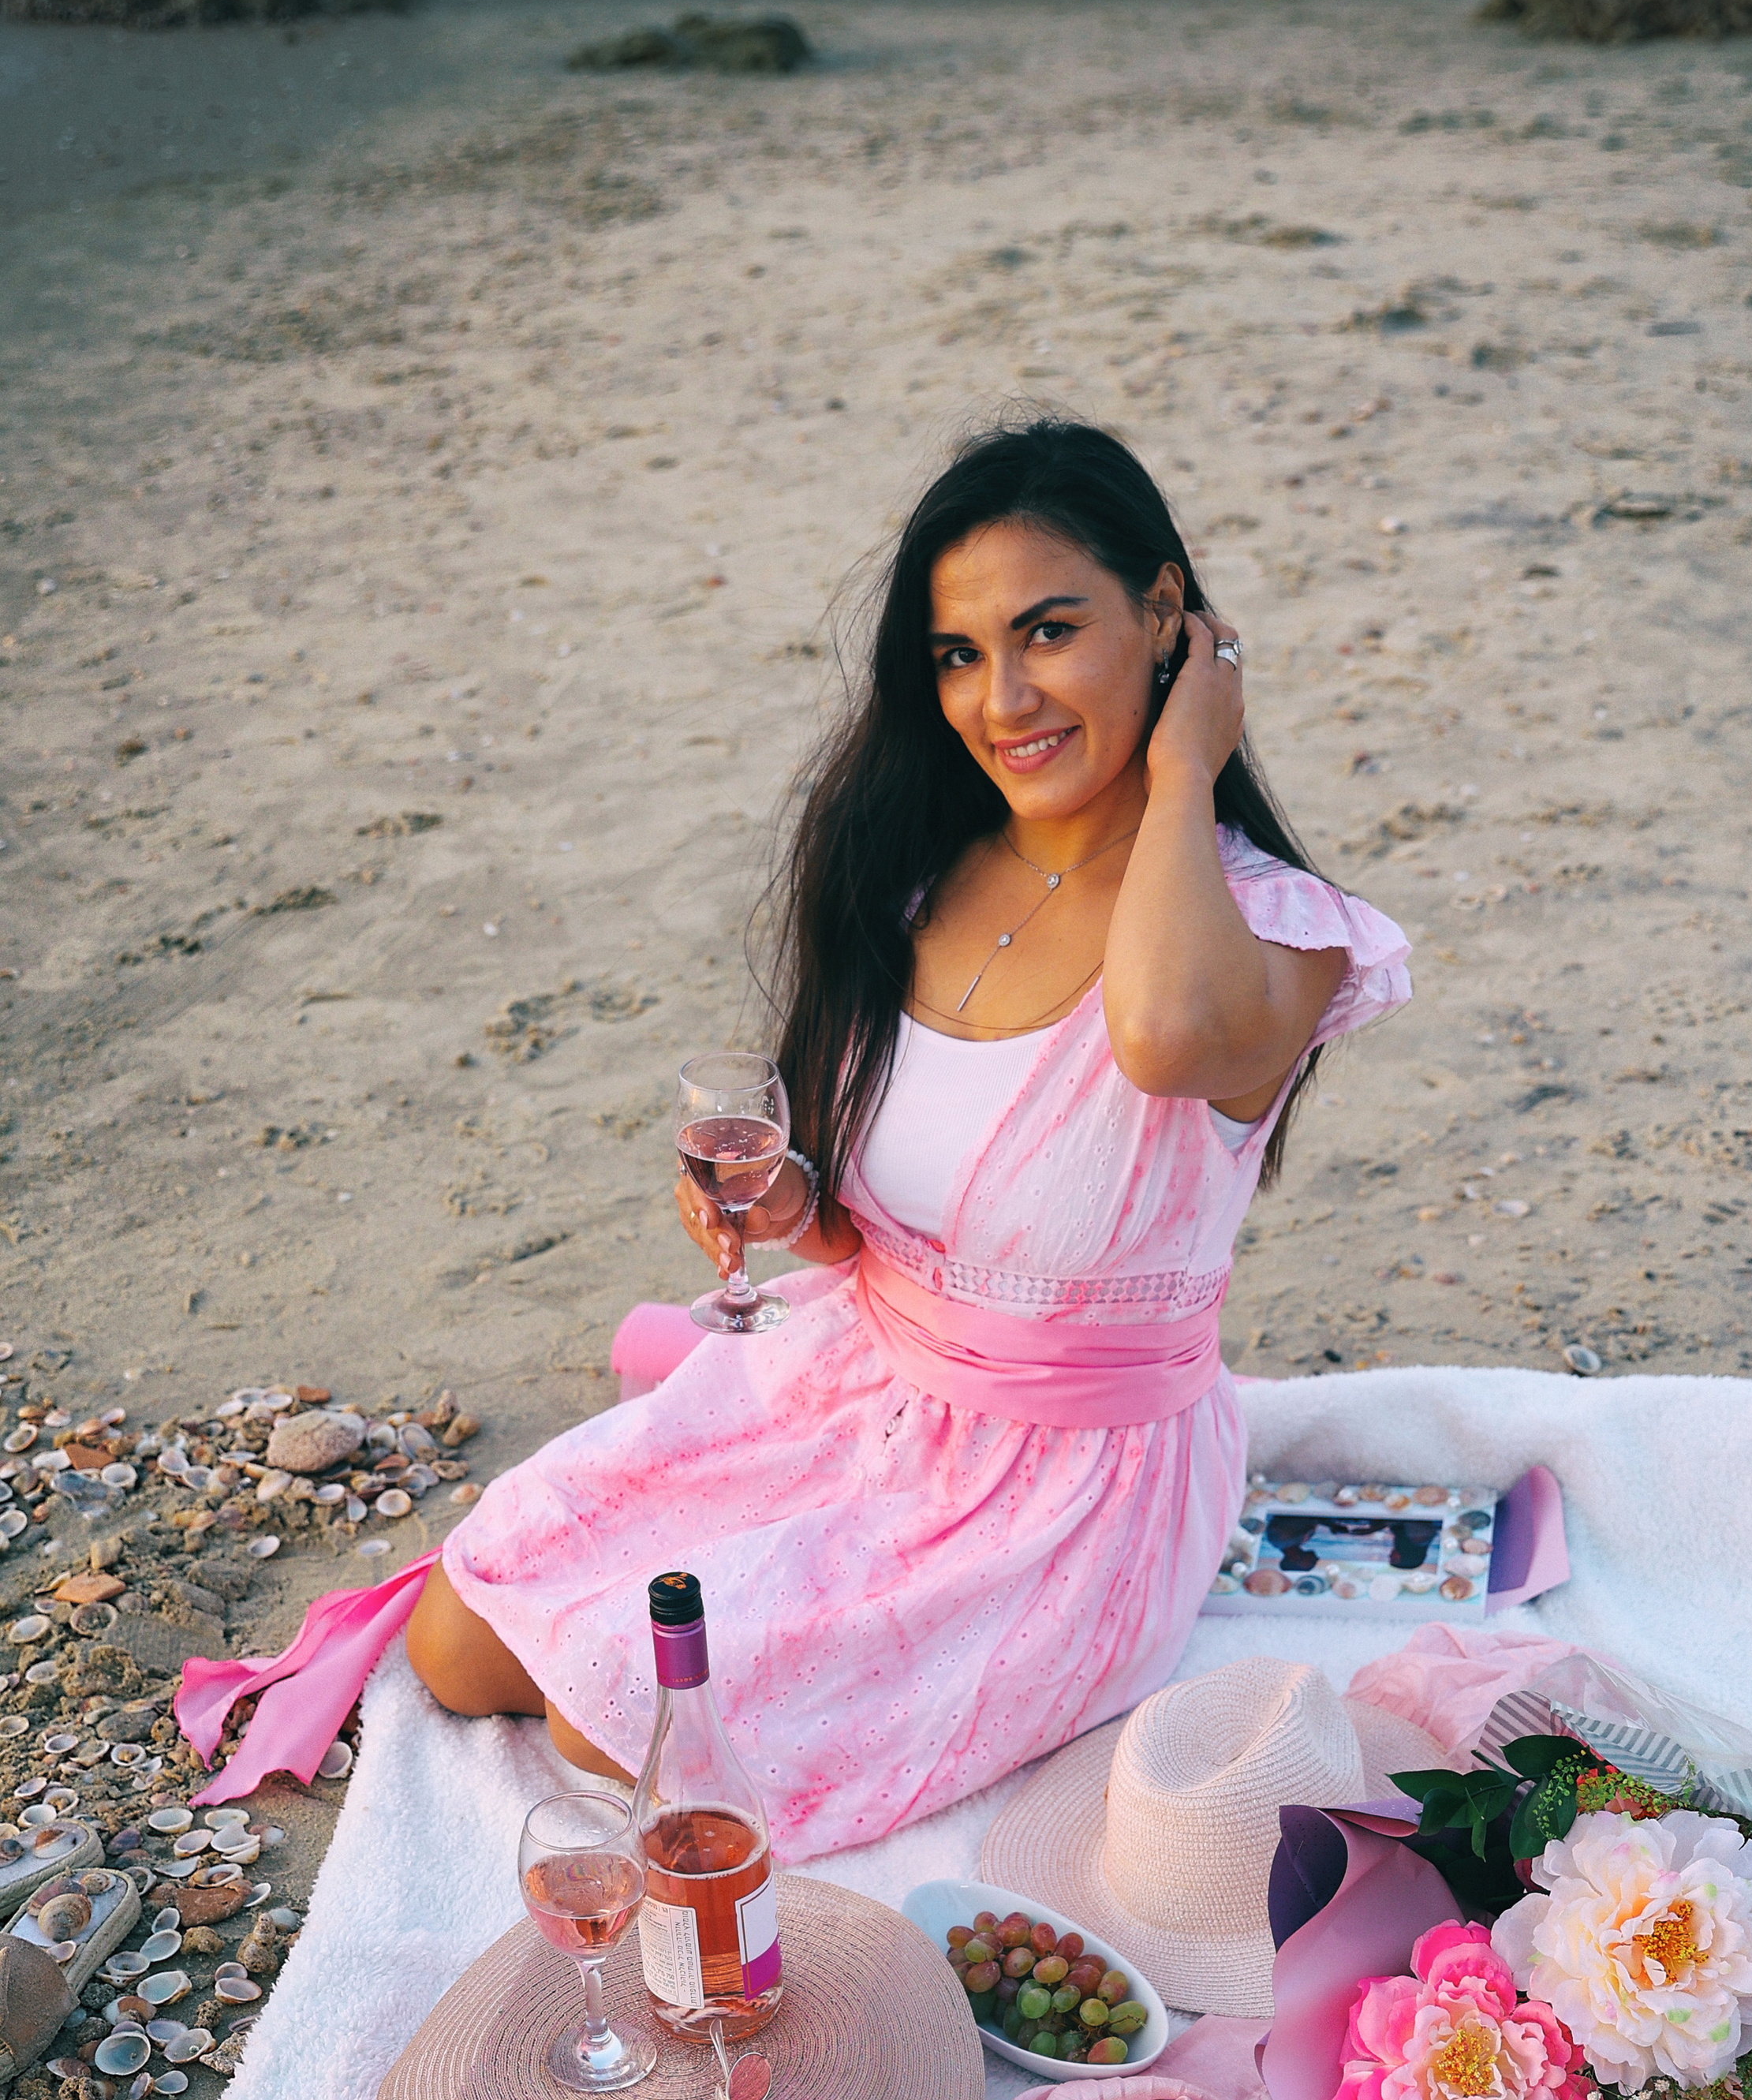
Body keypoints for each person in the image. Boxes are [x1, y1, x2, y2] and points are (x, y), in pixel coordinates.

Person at [405, 417, 1410, 1858]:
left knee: (622, 1718)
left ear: (1169, 617)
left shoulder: (1271, 935)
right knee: (463, 1638)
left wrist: (1189, 766)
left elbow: (1164, 1037)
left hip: (1061, 1496)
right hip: (854, 1378)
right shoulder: (927, 871)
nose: (1003, 699)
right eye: (956, 655)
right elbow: (889, 1221)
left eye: (1050, 632)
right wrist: (797, 1209)